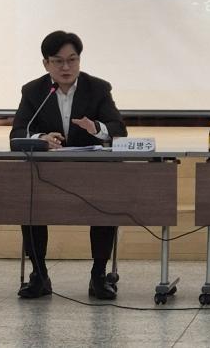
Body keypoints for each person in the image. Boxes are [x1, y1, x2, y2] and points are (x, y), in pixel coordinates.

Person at [10, 30, 127, 300]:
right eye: (58, 61)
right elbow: (18, 132)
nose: (66, 67)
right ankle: (39, 275)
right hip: (46, 172)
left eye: (72, 60)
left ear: (79, 60)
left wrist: (95, 127)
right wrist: (41, 138)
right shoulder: (33, 91)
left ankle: (99, 276)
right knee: (31, 203)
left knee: (104, 205)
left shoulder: (98, 88)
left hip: (91, 171)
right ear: (46, 63)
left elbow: (118, 129)